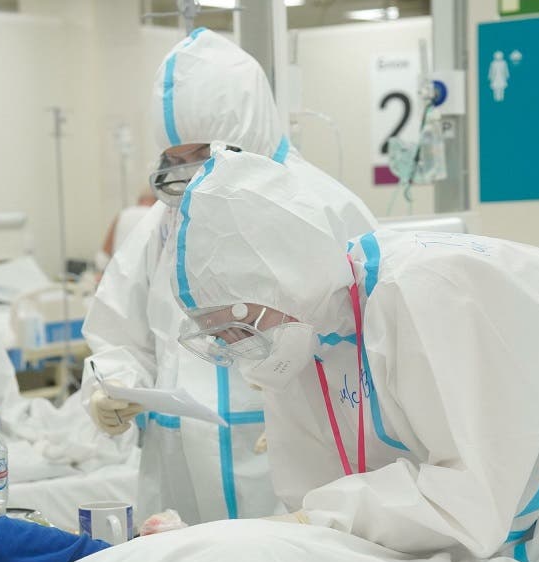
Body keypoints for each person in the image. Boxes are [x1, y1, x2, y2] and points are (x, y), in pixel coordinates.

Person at [171, 149, 539, 562]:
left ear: (286, 277)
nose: (238, 348)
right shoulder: (301, 331)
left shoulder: (435, 292)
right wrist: (294, 526)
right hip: (491, 517)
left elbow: (469, 498)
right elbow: (313, 489)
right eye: (218, 334)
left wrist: (319, 518)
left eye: (241, 325)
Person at [84, 28, 376, 525]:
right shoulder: (163, 222)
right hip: (180, 463)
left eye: (200, 156)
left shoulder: (324, 209)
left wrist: (318, 415)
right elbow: (122, 330)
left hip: (289, 460)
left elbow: (371, 347)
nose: (187, 175)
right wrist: (117, 385)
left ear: (245, 137)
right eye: (174, 161)